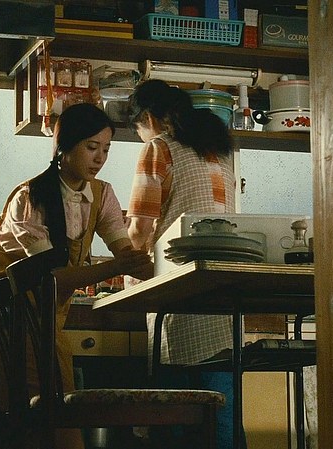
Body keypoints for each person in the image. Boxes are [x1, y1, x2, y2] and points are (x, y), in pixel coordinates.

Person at [0, 102, 154, 449]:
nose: (100, 158)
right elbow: (53, 277)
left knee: (46, 401)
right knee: (47, 402)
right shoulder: (30, 197)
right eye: (91, 147)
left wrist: (163, 267)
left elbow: (125, 253)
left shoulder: (101, 194)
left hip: (45, 310)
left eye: (106, 149)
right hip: (8, 310)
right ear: (63, 147)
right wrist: (118, 267)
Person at [126, 79, 240, 449]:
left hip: (179, 286)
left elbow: (139, 229)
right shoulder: (218, 150)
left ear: (147, 119)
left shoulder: (158, 147)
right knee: (221, 407)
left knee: (175, 411)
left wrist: (124, 264)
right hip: (224, 288)